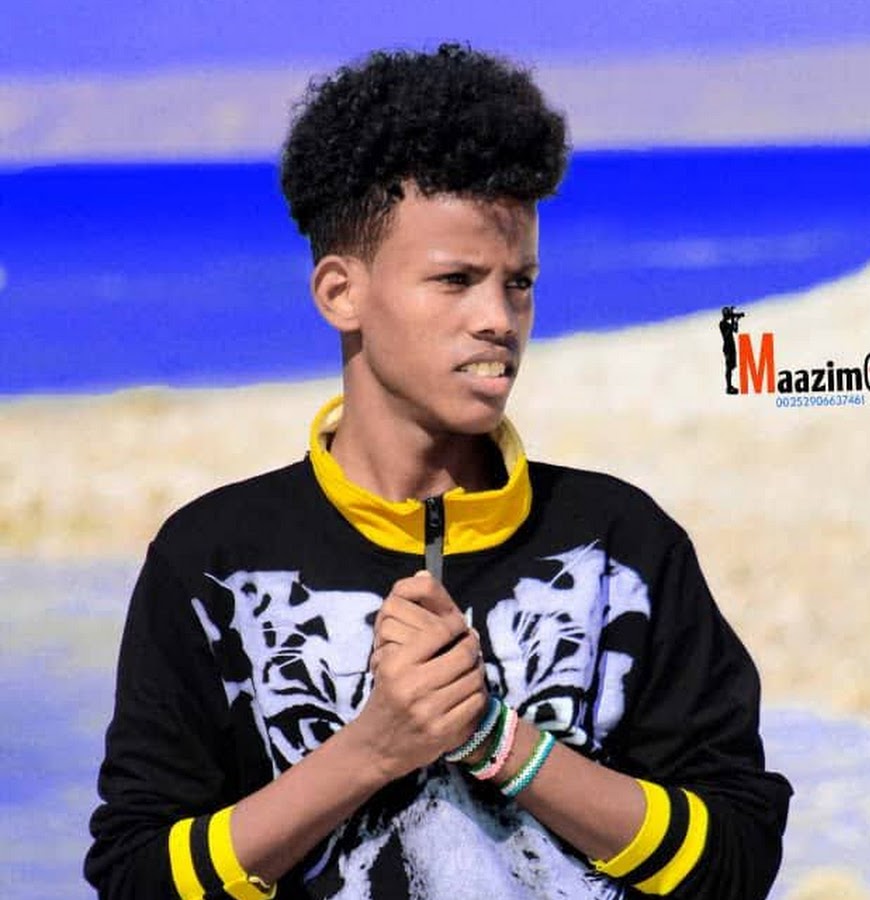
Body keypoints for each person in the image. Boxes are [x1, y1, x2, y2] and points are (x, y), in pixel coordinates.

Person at [85, 44, 791, 900]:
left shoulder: (622, 545)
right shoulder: (211, 560)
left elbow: (737, 861)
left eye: (519, 283)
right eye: (456, 280)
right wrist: (371, 750)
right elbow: (135, 878)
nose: (499, 318)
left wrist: (503, 744)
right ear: (340, 293)